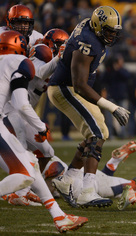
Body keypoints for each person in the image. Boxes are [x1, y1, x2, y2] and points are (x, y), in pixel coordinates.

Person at [0, 30, 87, 233]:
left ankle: (59, 217)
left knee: (31, 165)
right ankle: (20, 195)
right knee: (23, 174)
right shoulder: (20, 61)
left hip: (5, 118)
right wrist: (41, 126)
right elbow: (21, 103)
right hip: (10, 117)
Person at [48, 6, 130, 208]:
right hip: (65, 88)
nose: (112, 35)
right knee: (97, 133)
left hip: (71, 87)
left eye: (114, 31)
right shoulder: (89, 42)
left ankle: (67, 179)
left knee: (100, 130)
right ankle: (86, 191)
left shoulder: (91, 30)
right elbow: (80, 85)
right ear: (97, 26)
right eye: (109, 30)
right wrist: (112, 107)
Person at [2, 28, 68, 203]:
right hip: (13, 106)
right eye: (60, 45)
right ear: (50, 43)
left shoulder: (57, 59)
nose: (63, 48)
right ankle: (19, 193)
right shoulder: (41, 51)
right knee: (21, 147)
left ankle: (35, 187)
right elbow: (40, 72)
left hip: (25, 110)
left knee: (47, 151)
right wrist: (58, 58)